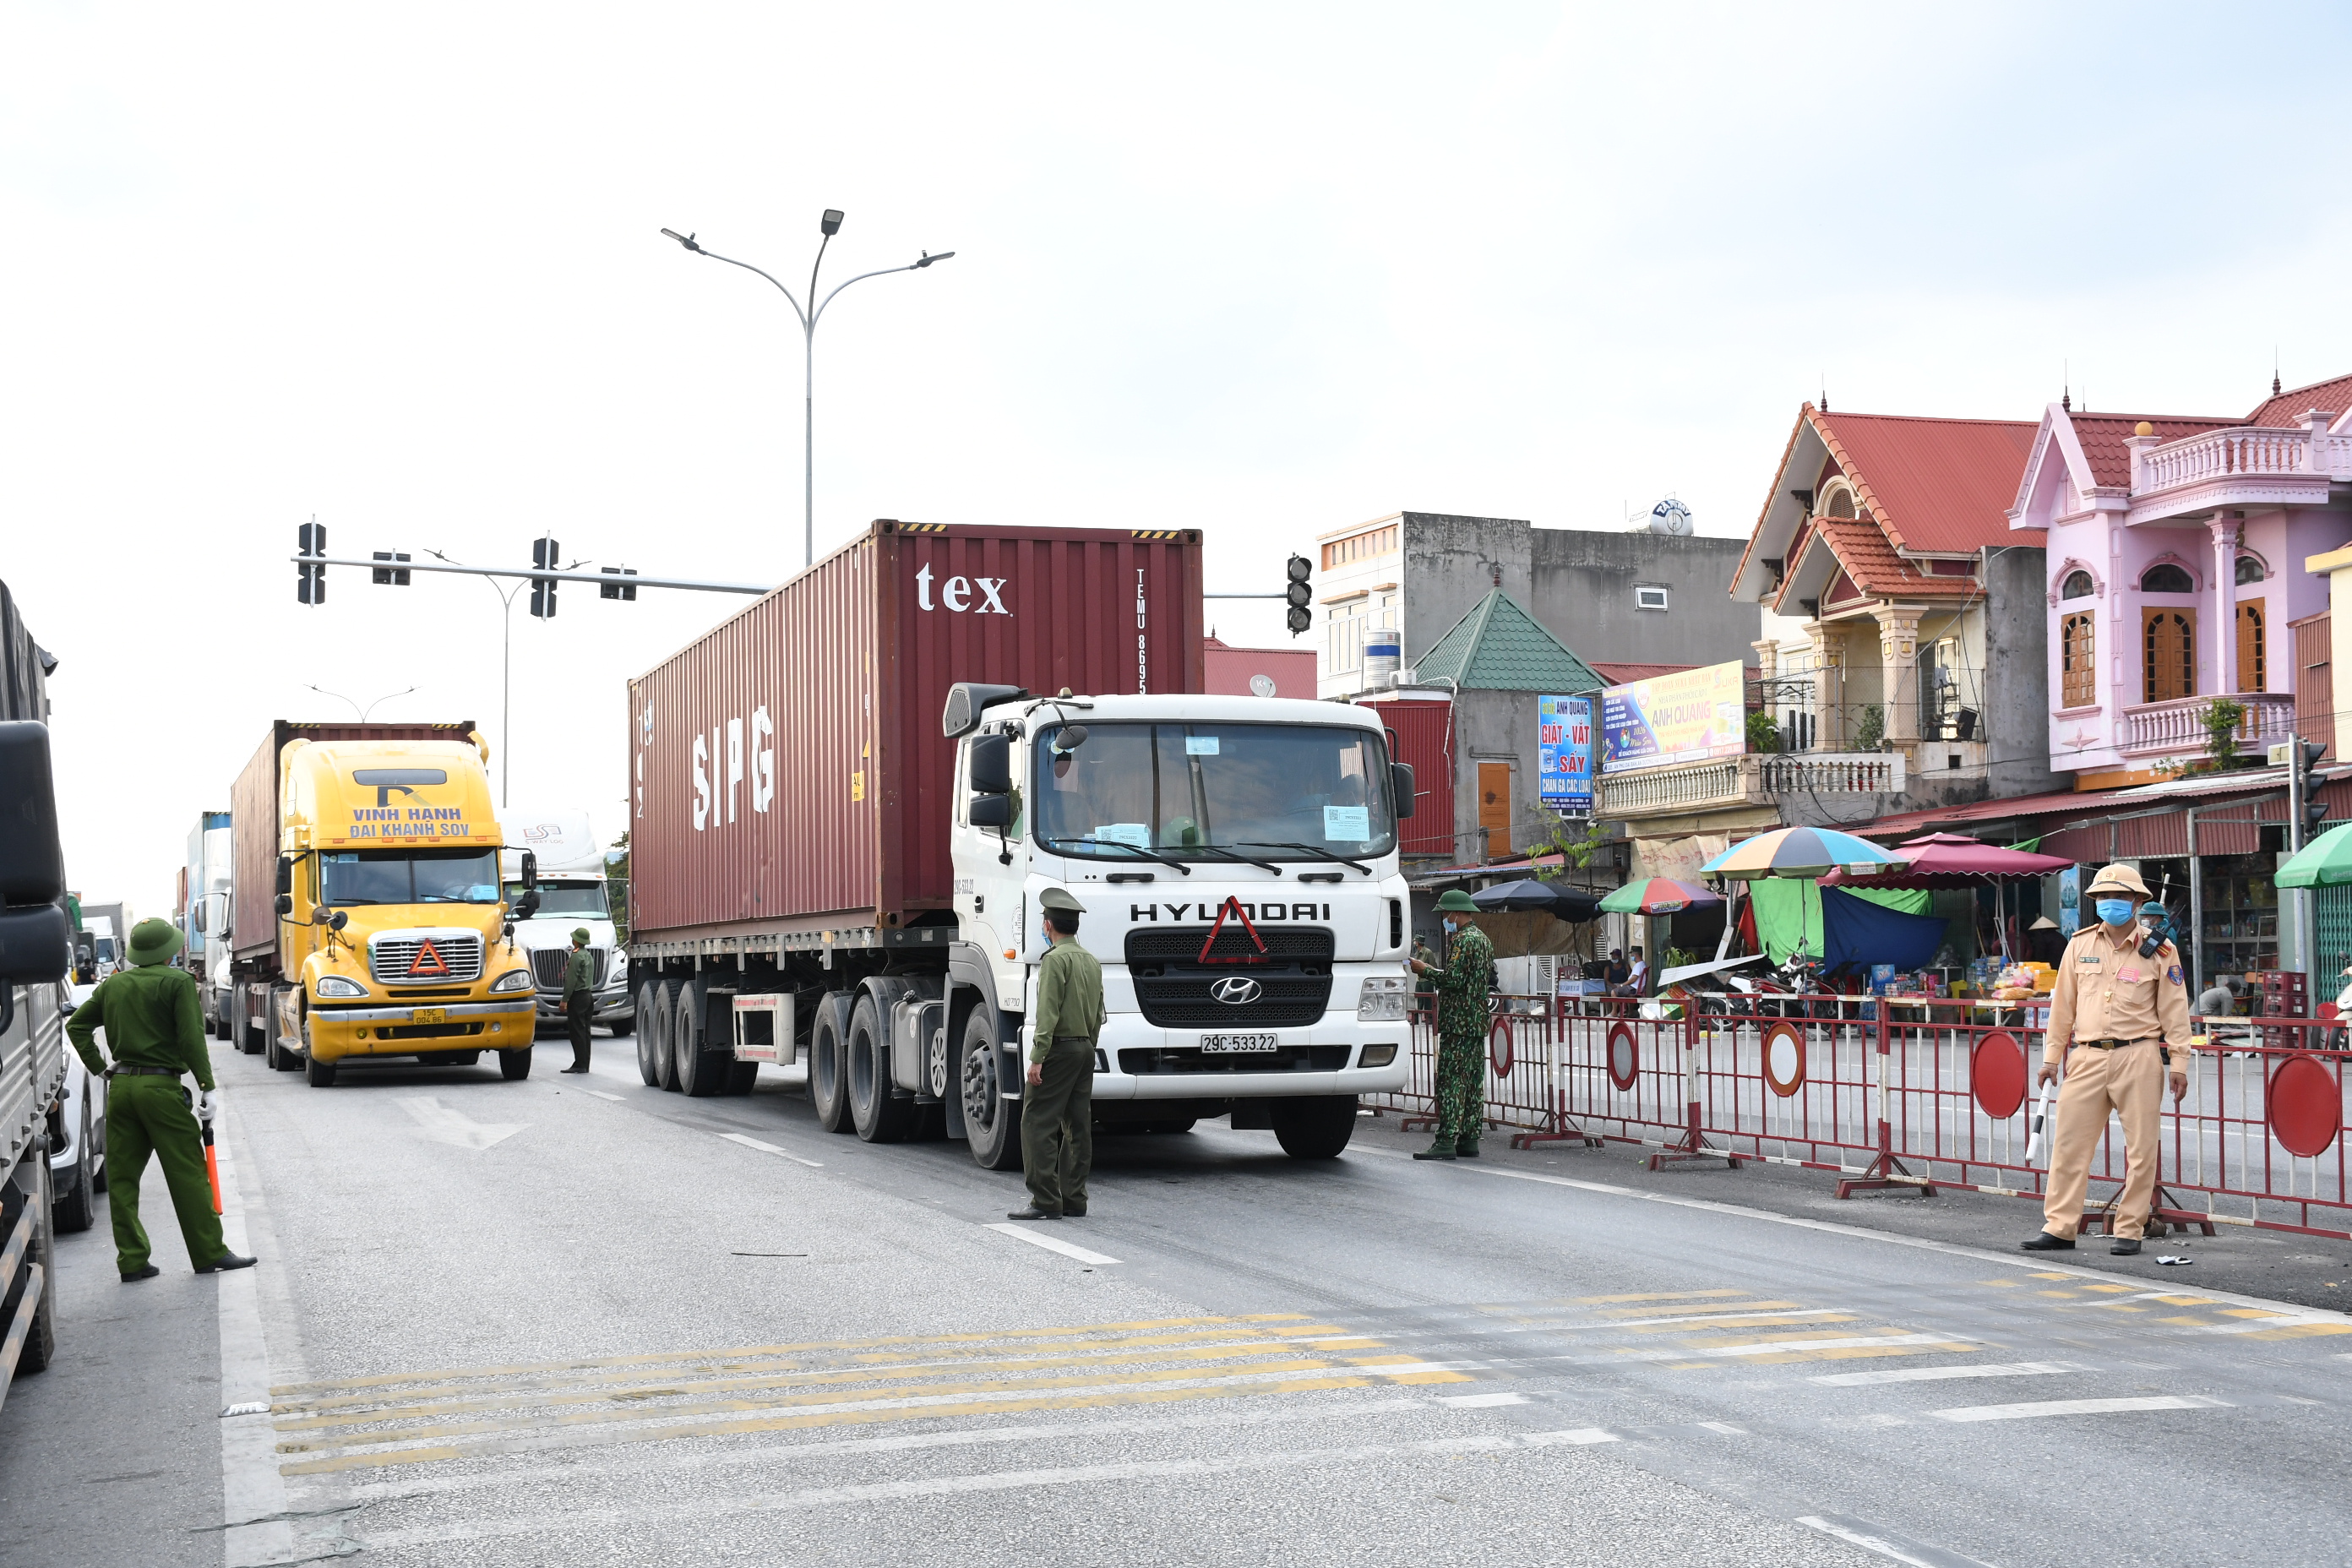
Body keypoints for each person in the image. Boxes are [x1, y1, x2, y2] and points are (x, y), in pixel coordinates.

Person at [66, 918, 256, 1282]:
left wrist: (101, 1069)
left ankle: (132, 1261)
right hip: (160, 1090)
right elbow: (191, 1039)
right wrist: (207, 1086)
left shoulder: (113, 985)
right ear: (169, 952)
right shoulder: (178, 982)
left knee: (122, 1179)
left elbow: (76, 1026)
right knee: (188, 1173)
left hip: (121, 1089)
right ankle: (209, 1253)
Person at [2025, 863, 2190, 1257]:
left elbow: (2175, 1010)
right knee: (2069, 1145)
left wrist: (2180, 1062)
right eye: (2102, 896)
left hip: (2140, 1054)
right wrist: (2051, 1059)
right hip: (2087, 1056)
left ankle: (2130, 1229)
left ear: (2136, 902)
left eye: (2118, 896)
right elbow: (2062, 1007)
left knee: (2142, 1149)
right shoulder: (2079, 944)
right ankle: (2060, 1227)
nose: (2109, 902)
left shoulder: (2161, 950)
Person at [1010, 888, 1104, 1221]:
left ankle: (1046, 1199)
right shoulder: (1091, 960)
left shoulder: (1054, 961)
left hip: (1060, 1050)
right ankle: (1074, 1198)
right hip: (1085, 1049)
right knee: (1078, 1125)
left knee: (1036, 1121)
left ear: (1048, 926)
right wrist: (1087, 1045)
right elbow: (1098, 1013)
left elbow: (1047, 1013)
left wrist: (1037, 1057)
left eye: (1043, 922)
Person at [1409, 889, 1494, 1162]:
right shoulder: (1483, 940)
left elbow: (1454, 980)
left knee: (1450, 1082)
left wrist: (1425, 971)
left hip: (1458, 1023)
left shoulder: (1463, 941)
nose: (1444, 918)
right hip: (1476, 1022)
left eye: (1445, 913)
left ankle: (1445, 1140)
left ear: (1456, 913)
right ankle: (1469, 1138)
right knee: (1473, 1083)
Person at [560, 927, 595, 1073]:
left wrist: (565, 1000)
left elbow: (571, 980)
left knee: (577, 1032)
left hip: (578, 997)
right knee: (585, 1031)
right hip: (588, 996)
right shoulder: (588, 955)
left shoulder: (576, 956)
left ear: (576, 940)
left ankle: (579, 1064)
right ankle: (585, 1063)